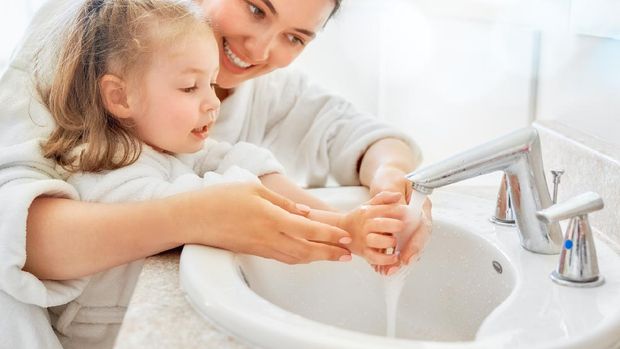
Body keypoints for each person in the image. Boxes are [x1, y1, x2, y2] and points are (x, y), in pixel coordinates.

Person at [0, 0, 431, 347]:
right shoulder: (93, 47)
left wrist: (377, 200)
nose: (260, 51)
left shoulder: (249, 102)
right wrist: (195, 215)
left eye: (294, 38)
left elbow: (338, 138)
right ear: (118, 96)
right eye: (256, 9)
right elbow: (13, 226)